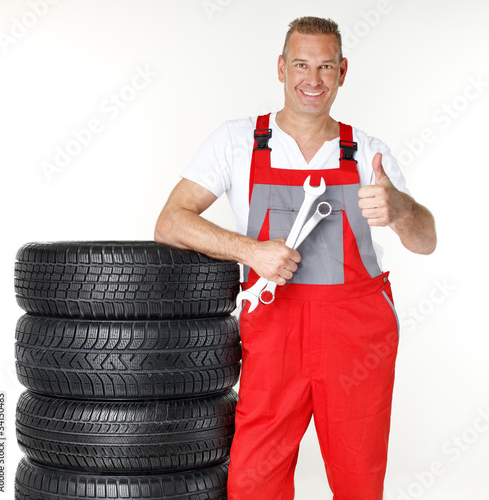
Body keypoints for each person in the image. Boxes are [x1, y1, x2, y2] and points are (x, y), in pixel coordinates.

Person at [154, 16, 436, 500]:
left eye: (326, 67)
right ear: (281, 68)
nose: (313, 79)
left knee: (359, 483)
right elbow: (170, 223)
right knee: (253, 483)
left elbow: (425, 240)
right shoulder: (238, 141)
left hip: (357, 336)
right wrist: (251, 251)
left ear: (343, 71)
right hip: (273, 332)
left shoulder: (367, 152)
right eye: (302, 64)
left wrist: (400, 208)